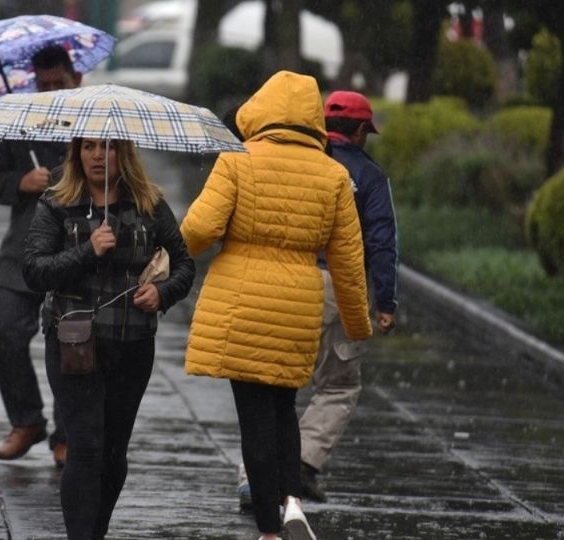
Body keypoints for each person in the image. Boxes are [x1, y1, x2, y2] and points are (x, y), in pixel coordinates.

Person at [181, 71, 372, 540]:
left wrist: (167, 255)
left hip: (240, 302)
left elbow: (200, 229)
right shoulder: (334, 175)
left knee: (253, 419)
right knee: (284, 406)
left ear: (260, 109)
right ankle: (292, 503)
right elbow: (348, 261)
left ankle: (269, 529)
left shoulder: (237, 160)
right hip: (298, 304)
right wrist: (357, 323)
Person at [22, 137, 194, 539]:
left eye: (109, 147)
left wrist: (162, 293)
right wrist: (88, 250)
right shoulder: (57, 203)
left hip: (132, 344)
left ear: (125, 154)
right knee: (85, 446)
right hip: (74, 341)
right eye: (89, 147)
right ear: (77, 154)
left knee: (114, 452)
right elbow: (34, 271)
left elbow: (184, 263)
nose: (98, 155)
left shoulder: (149, 204)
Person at [236, 91, 400, 509]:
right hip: (339, 287)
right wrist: (385, 301)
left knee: (273, 381)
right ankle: (304, 462)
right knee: (339, 383)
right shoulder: (370, 176)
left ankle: (253, 477)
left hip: (285, 281)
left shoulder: (298, 161)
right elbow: (381, 241)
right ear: (362, 130)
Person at [0, 44, 82, 467]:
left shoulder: (92, 122)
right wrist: (21, 182)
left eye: (59, 82)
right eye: (44, 84)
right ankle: (26, 420)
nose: (51, 90)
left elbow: (117, 179)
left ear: (75, 79)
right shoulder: (18, 123)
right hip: (22, 250)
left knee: (71, 347)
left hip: (75, 251)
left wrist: (63, 180)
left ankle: (68, 433)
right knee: (5, 333)